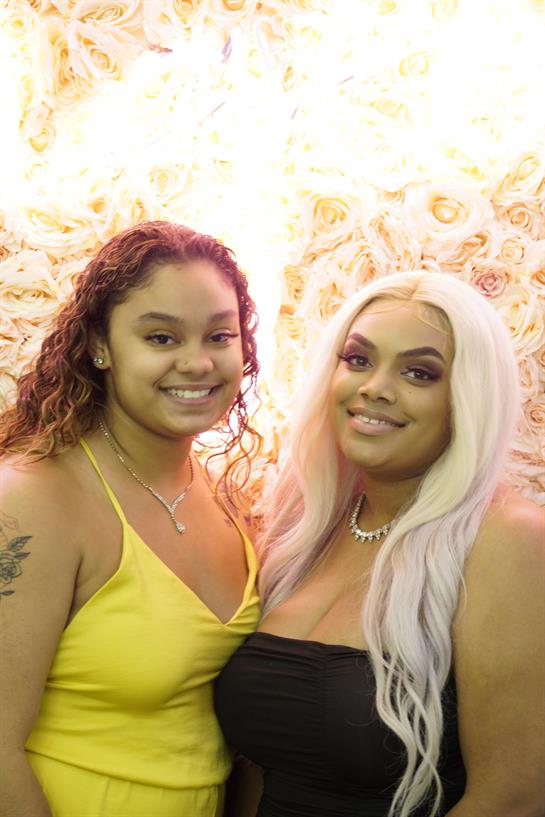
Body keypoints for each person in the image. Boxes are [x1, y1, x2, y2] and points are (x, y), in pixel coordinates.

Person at [215, 271, 545, 817]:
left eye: (419, 372)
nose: (375, 387)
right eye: (359, 359)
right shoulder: (304, 532)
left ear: (466, 398)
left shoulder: (508, 541)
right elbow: (262, 766)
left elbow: (516, 796)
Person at [0, 220, 262, 817]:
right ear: (100, 346)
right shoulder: (34, 499)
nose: (197, 363)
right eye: (162, 339)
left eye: (218, 336)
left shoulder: (228, 502)